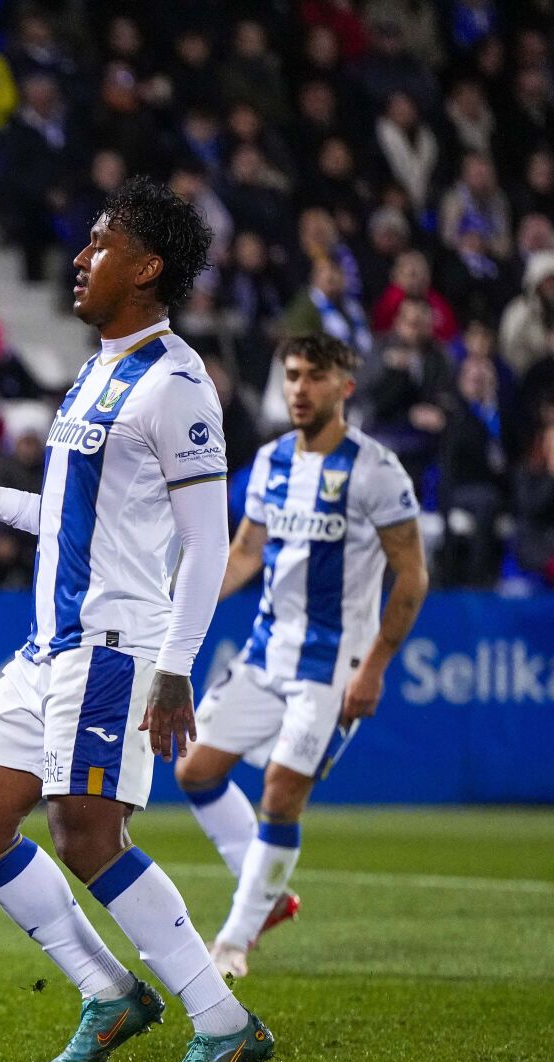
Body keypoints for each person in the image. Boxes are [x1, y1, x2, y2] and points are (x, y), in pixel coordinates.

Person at [0, 176, 274, 1062]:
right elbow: (77, 514)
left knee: (85, 832)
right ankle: (107, 992)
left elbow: (204, 547)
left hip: (114, 647)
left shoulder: (177, 385)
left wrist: (175, 668)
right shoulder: (97, 369)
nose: (80, 258)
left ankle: (223, 1020)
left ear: (147, 267)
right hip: (47, 644)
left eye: (102, 244)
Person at [175, 335, 427, 977]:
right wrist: (180, 609)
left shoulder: (375, 470)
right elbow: (245, 555)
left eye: (315, 377)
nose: (299, 389)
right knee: (195, 771)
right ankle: (267, 897)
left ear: (345, 386)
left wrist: (375, 665)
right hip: (267, 653)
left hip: (334, 666)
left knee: (281, 795)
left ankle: (232, 941)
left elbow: (412, 575)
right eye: (291, 376)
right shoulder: (269, 462)